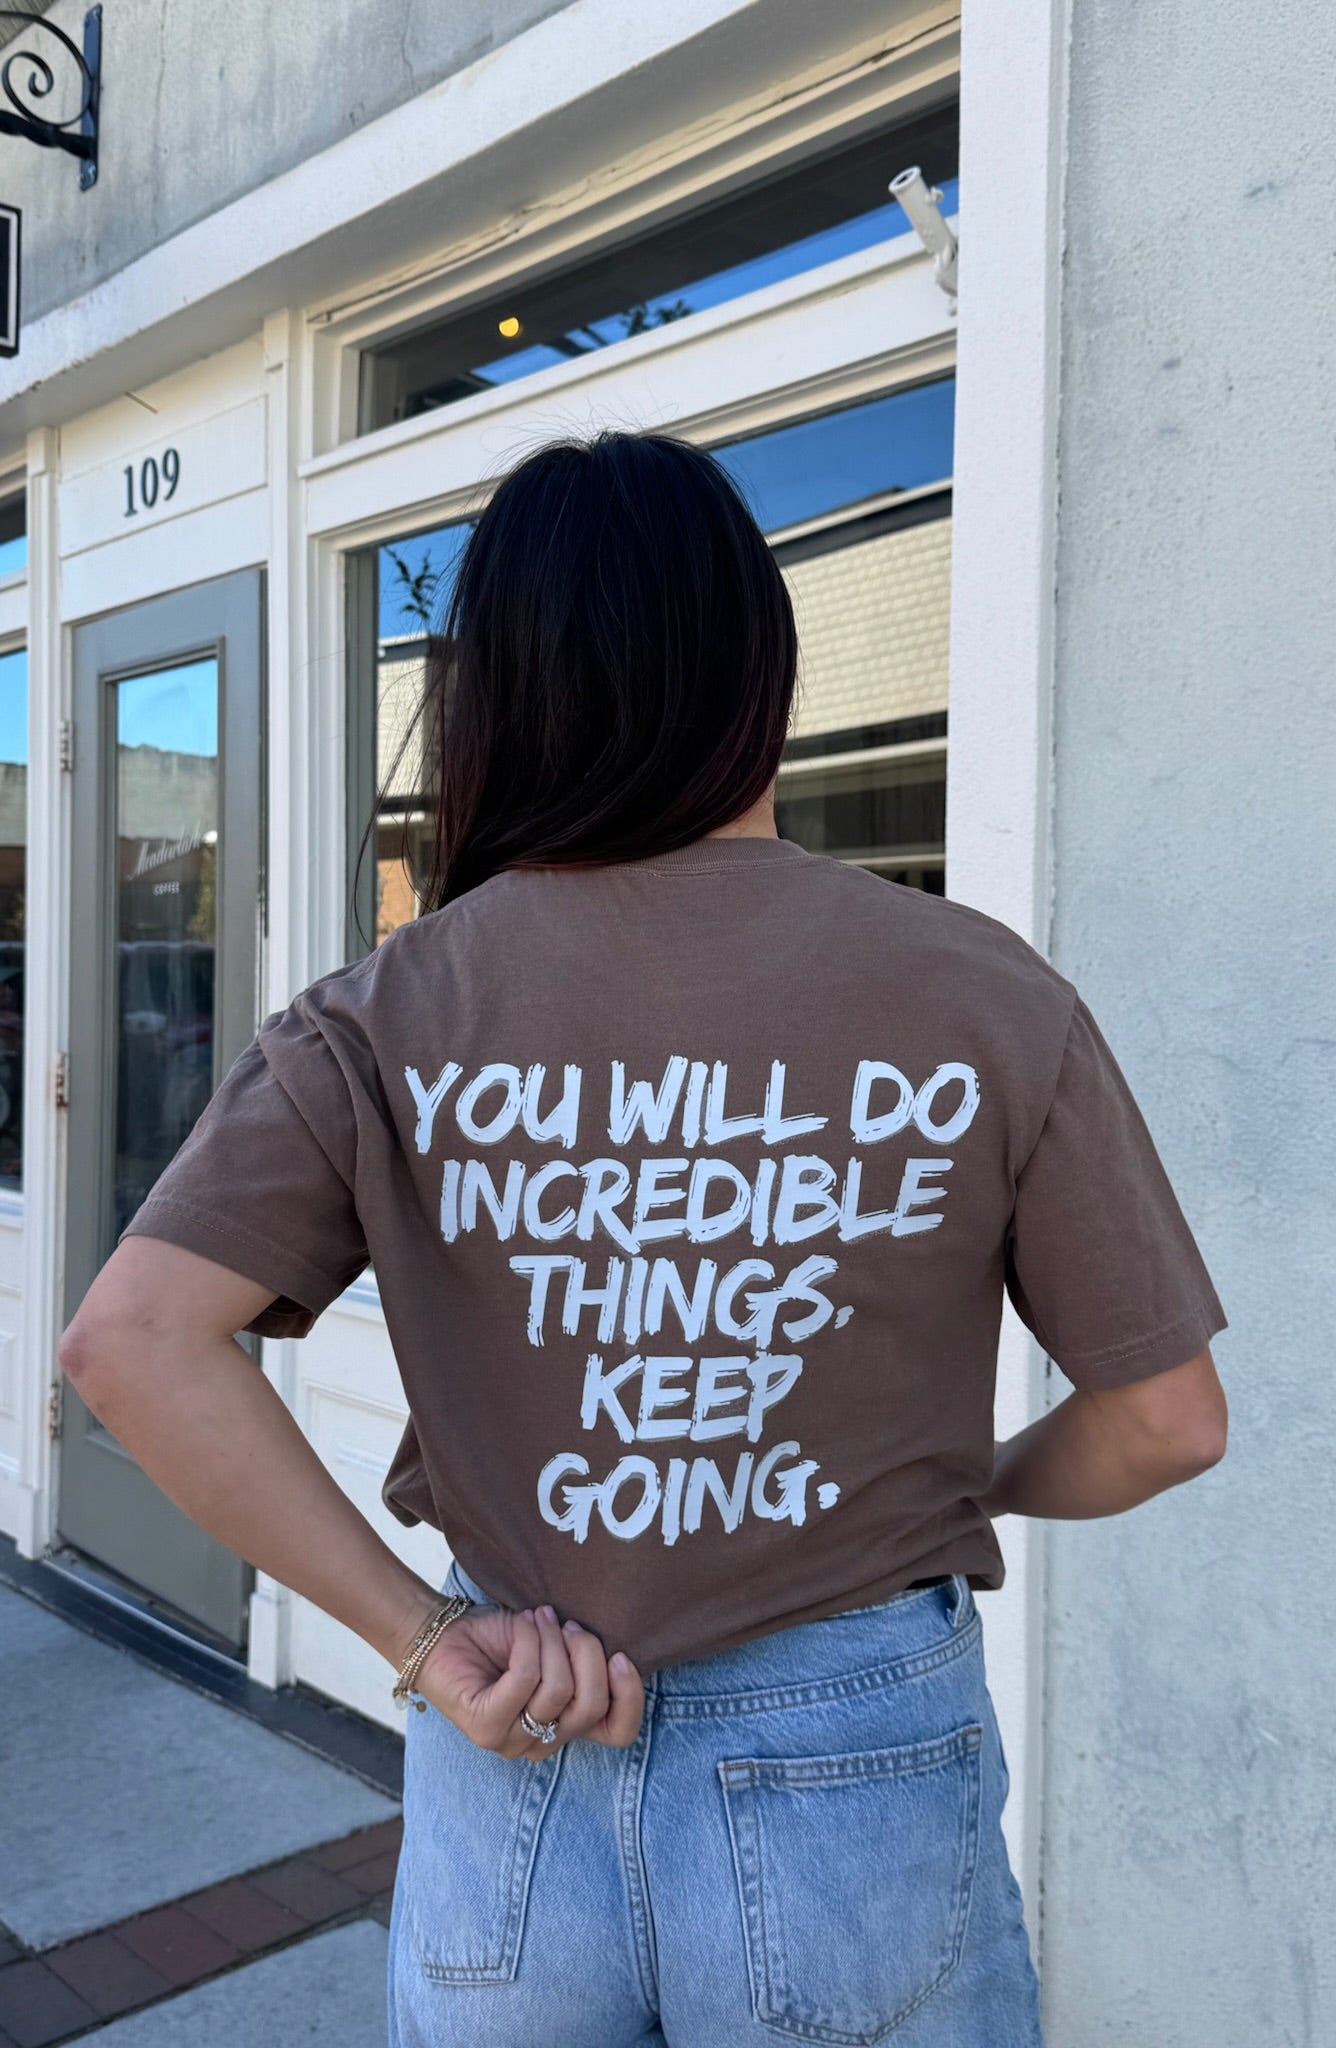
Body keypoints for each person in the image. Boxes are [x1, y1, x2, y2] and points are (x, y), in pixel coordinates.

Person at [59, 430, 1229, 2048]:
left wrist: (420, 1638)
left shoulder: (386, 1010)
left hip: (512, 1735)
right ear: (765, 669)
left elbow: (128, 1344)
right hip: (855, 1745)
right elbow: (1168, 1421)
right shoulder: (980, 992)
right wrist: (979, 1485)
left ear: (492, 701)